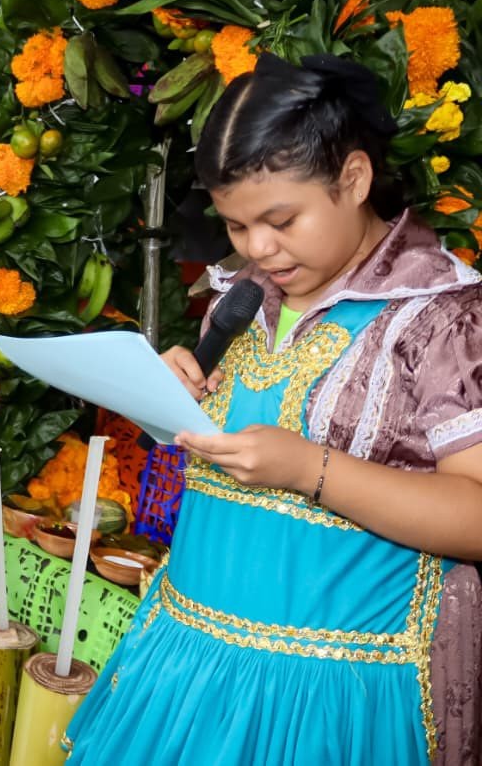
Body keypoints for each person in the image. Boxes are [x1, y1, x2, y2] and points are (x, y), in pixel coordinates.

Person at [64, 55, 482, 765]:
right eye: (235, 226)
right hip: (188, 660)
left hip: (336, 696)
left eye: (281, 219)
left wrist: (309, 468)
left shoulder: (442, 318)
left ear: (354, 179)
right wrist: (172, 394)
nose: (259, 247)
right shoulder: (243, 296)